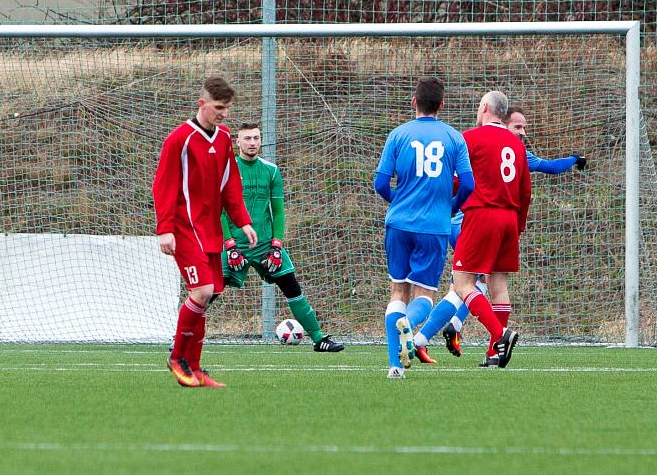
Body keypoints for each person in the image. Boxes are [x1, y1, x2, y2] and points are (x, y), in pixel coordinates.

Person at [412, 107, 587, 362]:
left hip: (477, 221)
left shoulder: (503, 147)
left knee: (464, 287)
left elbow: (455, 179)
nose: (522, 132)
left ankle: (429, 337)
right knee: (473, 285)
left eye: (524, 128)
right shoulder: (510, 149)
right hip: (472, 222)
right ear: (502, 122)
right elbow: (529, 183)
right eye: (517, 126)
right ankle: (469, 332)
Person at [153, 76, 257, 388]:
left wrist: (243, 221)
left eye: (227, 108)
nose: (223, 113)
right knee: (200, 292)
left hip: (210, 230)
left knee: (208, 293)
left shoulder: (224, 138)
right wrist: (165, 229)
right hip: (185, 230)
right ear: (202, 104)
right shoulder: (180, 139)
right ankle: (177, 358)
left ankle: (195, 368)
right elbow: (163, 185)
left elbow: (230, 185)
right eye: (218, 107)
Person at [374, 77, 474, 379]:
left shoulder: (397, 135)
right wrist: (451, 208)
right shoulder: (454, 138)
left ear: (413, 102)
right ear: (441, 105)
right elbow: (468, 184)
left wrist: (398, 201)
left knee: (397, 292)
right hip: (434, 226)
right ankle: (409, 325)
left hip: (399, 223)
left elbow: (380, 183)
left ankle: (394, 366)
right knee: (424, 296)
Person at [221, 123, 344, 352]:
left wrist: (276, 245)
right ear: (237, 142)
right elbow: (218, 211)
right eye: (247, 138)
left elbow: (278, 211)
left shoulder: (271, 170)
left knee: (292, 286)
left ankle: (319, 339)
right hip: (235, 244)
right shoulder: (227, 171)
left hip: (266, 244)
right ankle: (181, 340)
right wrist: (229, 246)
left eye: (256, 138)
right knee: (209, 290)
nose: (252, 143)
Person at [431, 91, 530, 369]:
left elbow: (455, 180)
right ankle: (493, 353)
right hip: (509, 218)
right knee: (498, 285)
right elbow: (525, 192)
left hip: (481, 214)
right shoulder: (517, 145)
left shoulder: (470, 138)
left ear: (485, 108)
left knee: (463, 283)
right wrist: (518, 225)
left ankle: (500, 336)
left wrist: (444, 204)